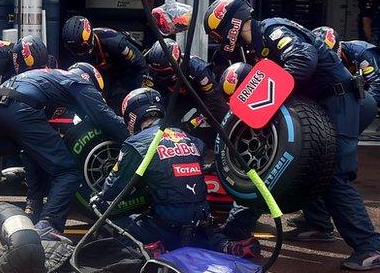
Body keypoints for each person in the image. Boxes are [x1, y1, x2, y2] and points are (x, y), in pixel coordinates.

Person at [205, 0, 380, 270]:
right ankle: (311, 224)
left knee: (334, 174)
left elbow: (302, 60)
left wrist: (269, 102)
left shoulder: (274, 30)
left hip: (339, 100)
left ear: (232, 22)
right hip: (320, 102)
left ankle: (369, 246)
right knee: (292, 165)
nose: (217, 36)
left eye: (217, 30)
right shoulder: (256, 48)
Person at [0, 36, 129, 243]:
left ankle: (33, 207)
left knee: (33, 153)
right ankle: (49, 224)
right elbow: (104, 118)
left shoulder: (48, 76)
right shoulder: (80, 82)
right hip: (20, 109)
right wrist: (134, 139)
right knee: (68, 172)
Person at [89, 88, 260, 258]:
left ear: (133, 115)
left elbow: (112, 190)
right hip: (200, 222)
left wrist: (102, 196)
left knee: (105, 211)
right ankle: (223, 245)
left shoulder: (136, 143)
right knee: (203, 231)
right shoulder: (189, 137)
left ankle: (147, 250)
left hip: (167, 226)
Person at [281, 26, 380, 242]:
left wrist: (355, 109)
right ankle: (317, 222)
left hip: (360, 105)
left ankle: (368, 244)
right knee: (312, 157)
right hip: (339, 104)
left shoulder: (363, 52)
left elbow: (377, 87)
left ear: (338, 46)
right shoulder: (315, 51)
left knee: (335, 170)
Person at [143, 38, 229, 139]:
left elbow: (215, 101)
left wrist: (195, 121)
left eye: (165, 71)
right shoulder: (151, 70)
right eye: (157, 71)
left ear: (177, 62)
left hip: (203, 97)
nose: (160, 74)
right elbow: (150, 97)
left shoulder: (198, 69)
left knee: (216, 120)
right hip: (177, 98)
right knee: (167, 122)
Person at [61, 15, 149, 111]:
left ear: (90, 39)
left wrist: (142, 92)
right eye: (75, 50)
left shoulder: (115, 43)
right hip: (103, 74)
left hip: (128, 71)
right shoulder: (72, 49)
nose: (80, 53)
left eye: (82, 48)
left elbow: (140, 65)